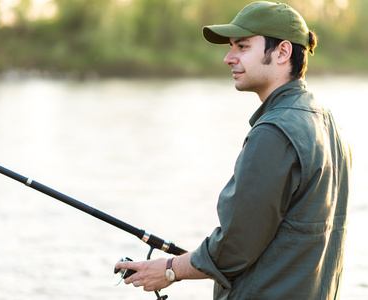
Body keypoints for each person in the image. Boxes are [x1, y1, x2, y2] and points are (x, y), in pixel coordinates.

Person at [115, 1, 352, 299]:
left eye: (242, 46)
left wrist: (169, 269)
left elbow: (234, 247)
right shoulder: (328, 122)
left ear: (282, 52)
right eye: (230, 47)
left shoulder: (273, 133)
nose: (228, 58)